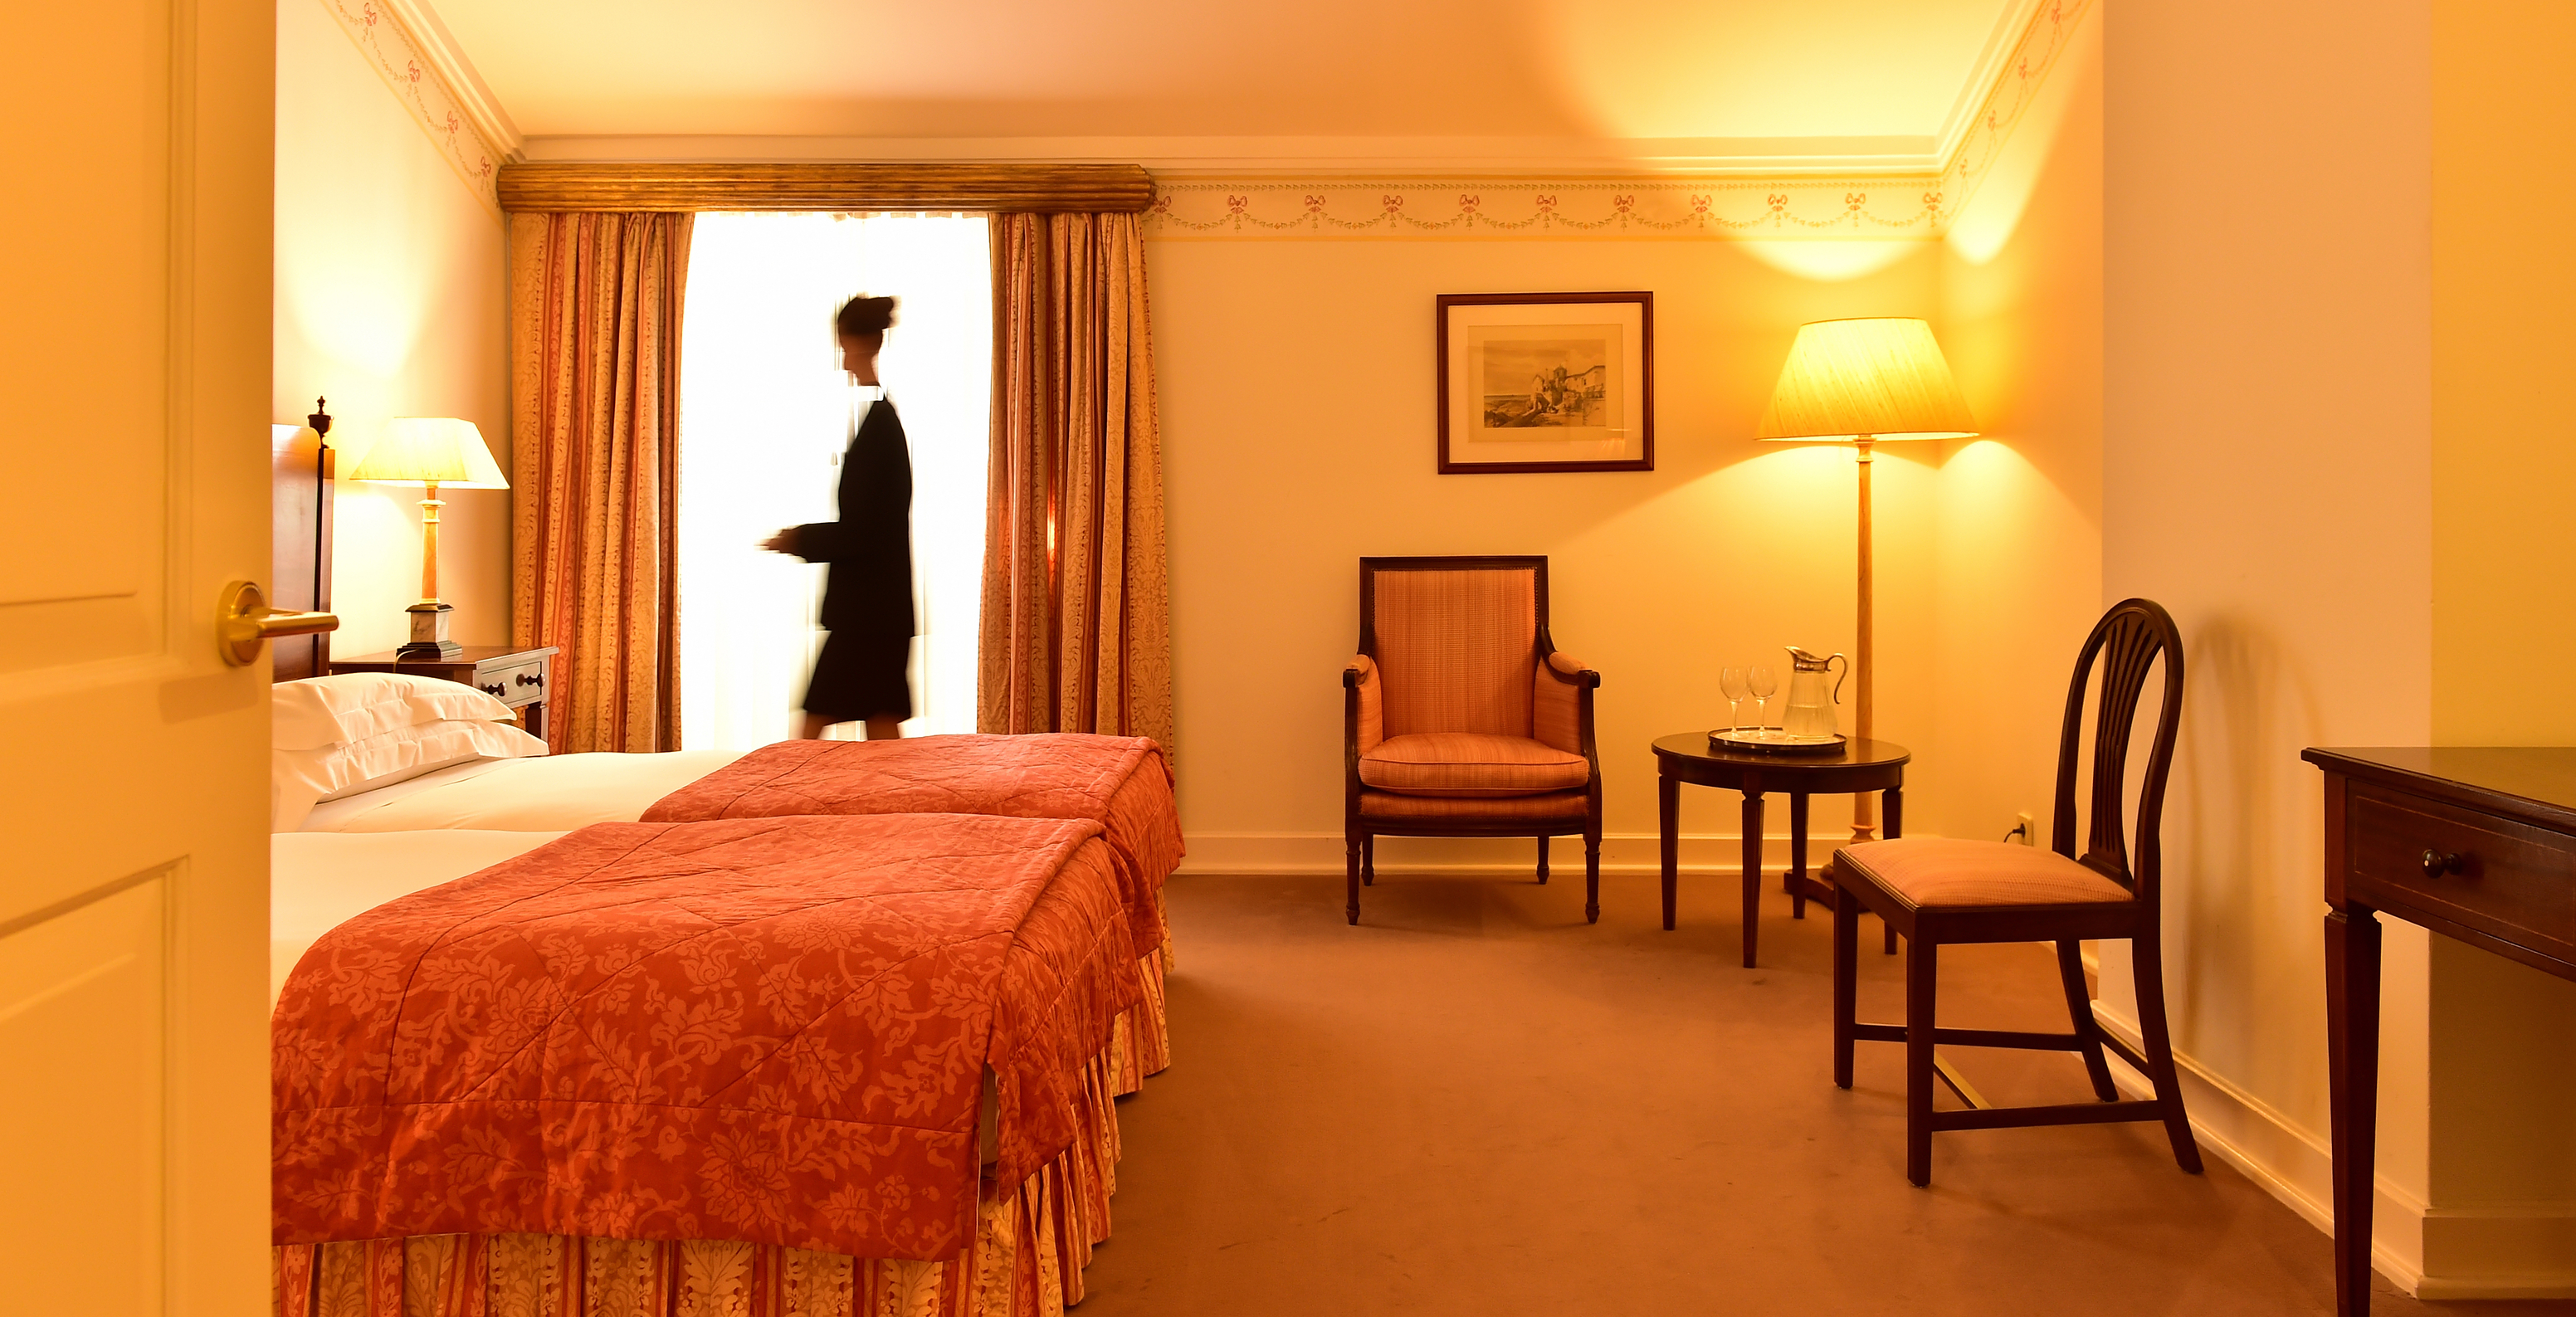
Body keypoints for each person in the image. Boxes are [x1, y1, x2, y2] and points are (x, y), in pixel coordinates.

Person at [761, 295, 912, 741]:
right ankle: (896, 812)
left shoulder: (881, 426)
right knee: (880, 730)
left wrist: (801, 540)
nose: (842, 357)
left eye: (844, 345)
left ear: (859, 343)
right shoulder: (879, 418)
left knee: (810, 733)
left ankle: (779, 808)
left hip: (868, 616)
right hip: (877, 612)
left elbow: (868, 531)